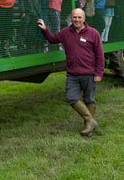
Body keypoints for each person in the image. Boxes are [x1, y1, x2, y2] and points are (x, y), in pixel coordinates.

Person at [37, 8, 104, 137]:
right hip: (73, 74)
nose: (77, 20)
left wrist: (99, 73)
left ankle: (88, 127)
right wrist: (45, 29)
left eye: (79, 17)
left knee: (89, 99)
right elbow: (53, 39)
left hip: (89, 73)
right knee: (71, 98)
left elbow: (100, 55)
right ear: (71, 18)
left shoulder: (93, 33)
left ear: (84, 19)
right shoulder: (66, 33)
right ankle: (91, 121)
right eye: (74, 17)